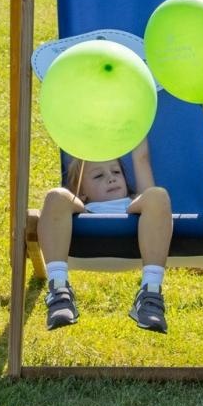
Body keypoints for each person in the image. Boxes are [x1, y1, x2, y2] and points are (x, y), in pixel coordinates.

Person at [39, 139, 173, 333]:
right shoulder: (82, 209)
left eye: (116, 172)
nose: (111, 178)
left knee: (158, 195)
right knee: (55, 196)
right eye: (98, 176)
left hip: (139, 233)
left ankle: (150, 293)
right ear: (81, 191)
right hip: (88, 230)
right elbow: (62, 201)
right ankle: (59, 291)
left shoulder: (137, 204)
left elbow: (141, 159)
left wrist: (136, 126)